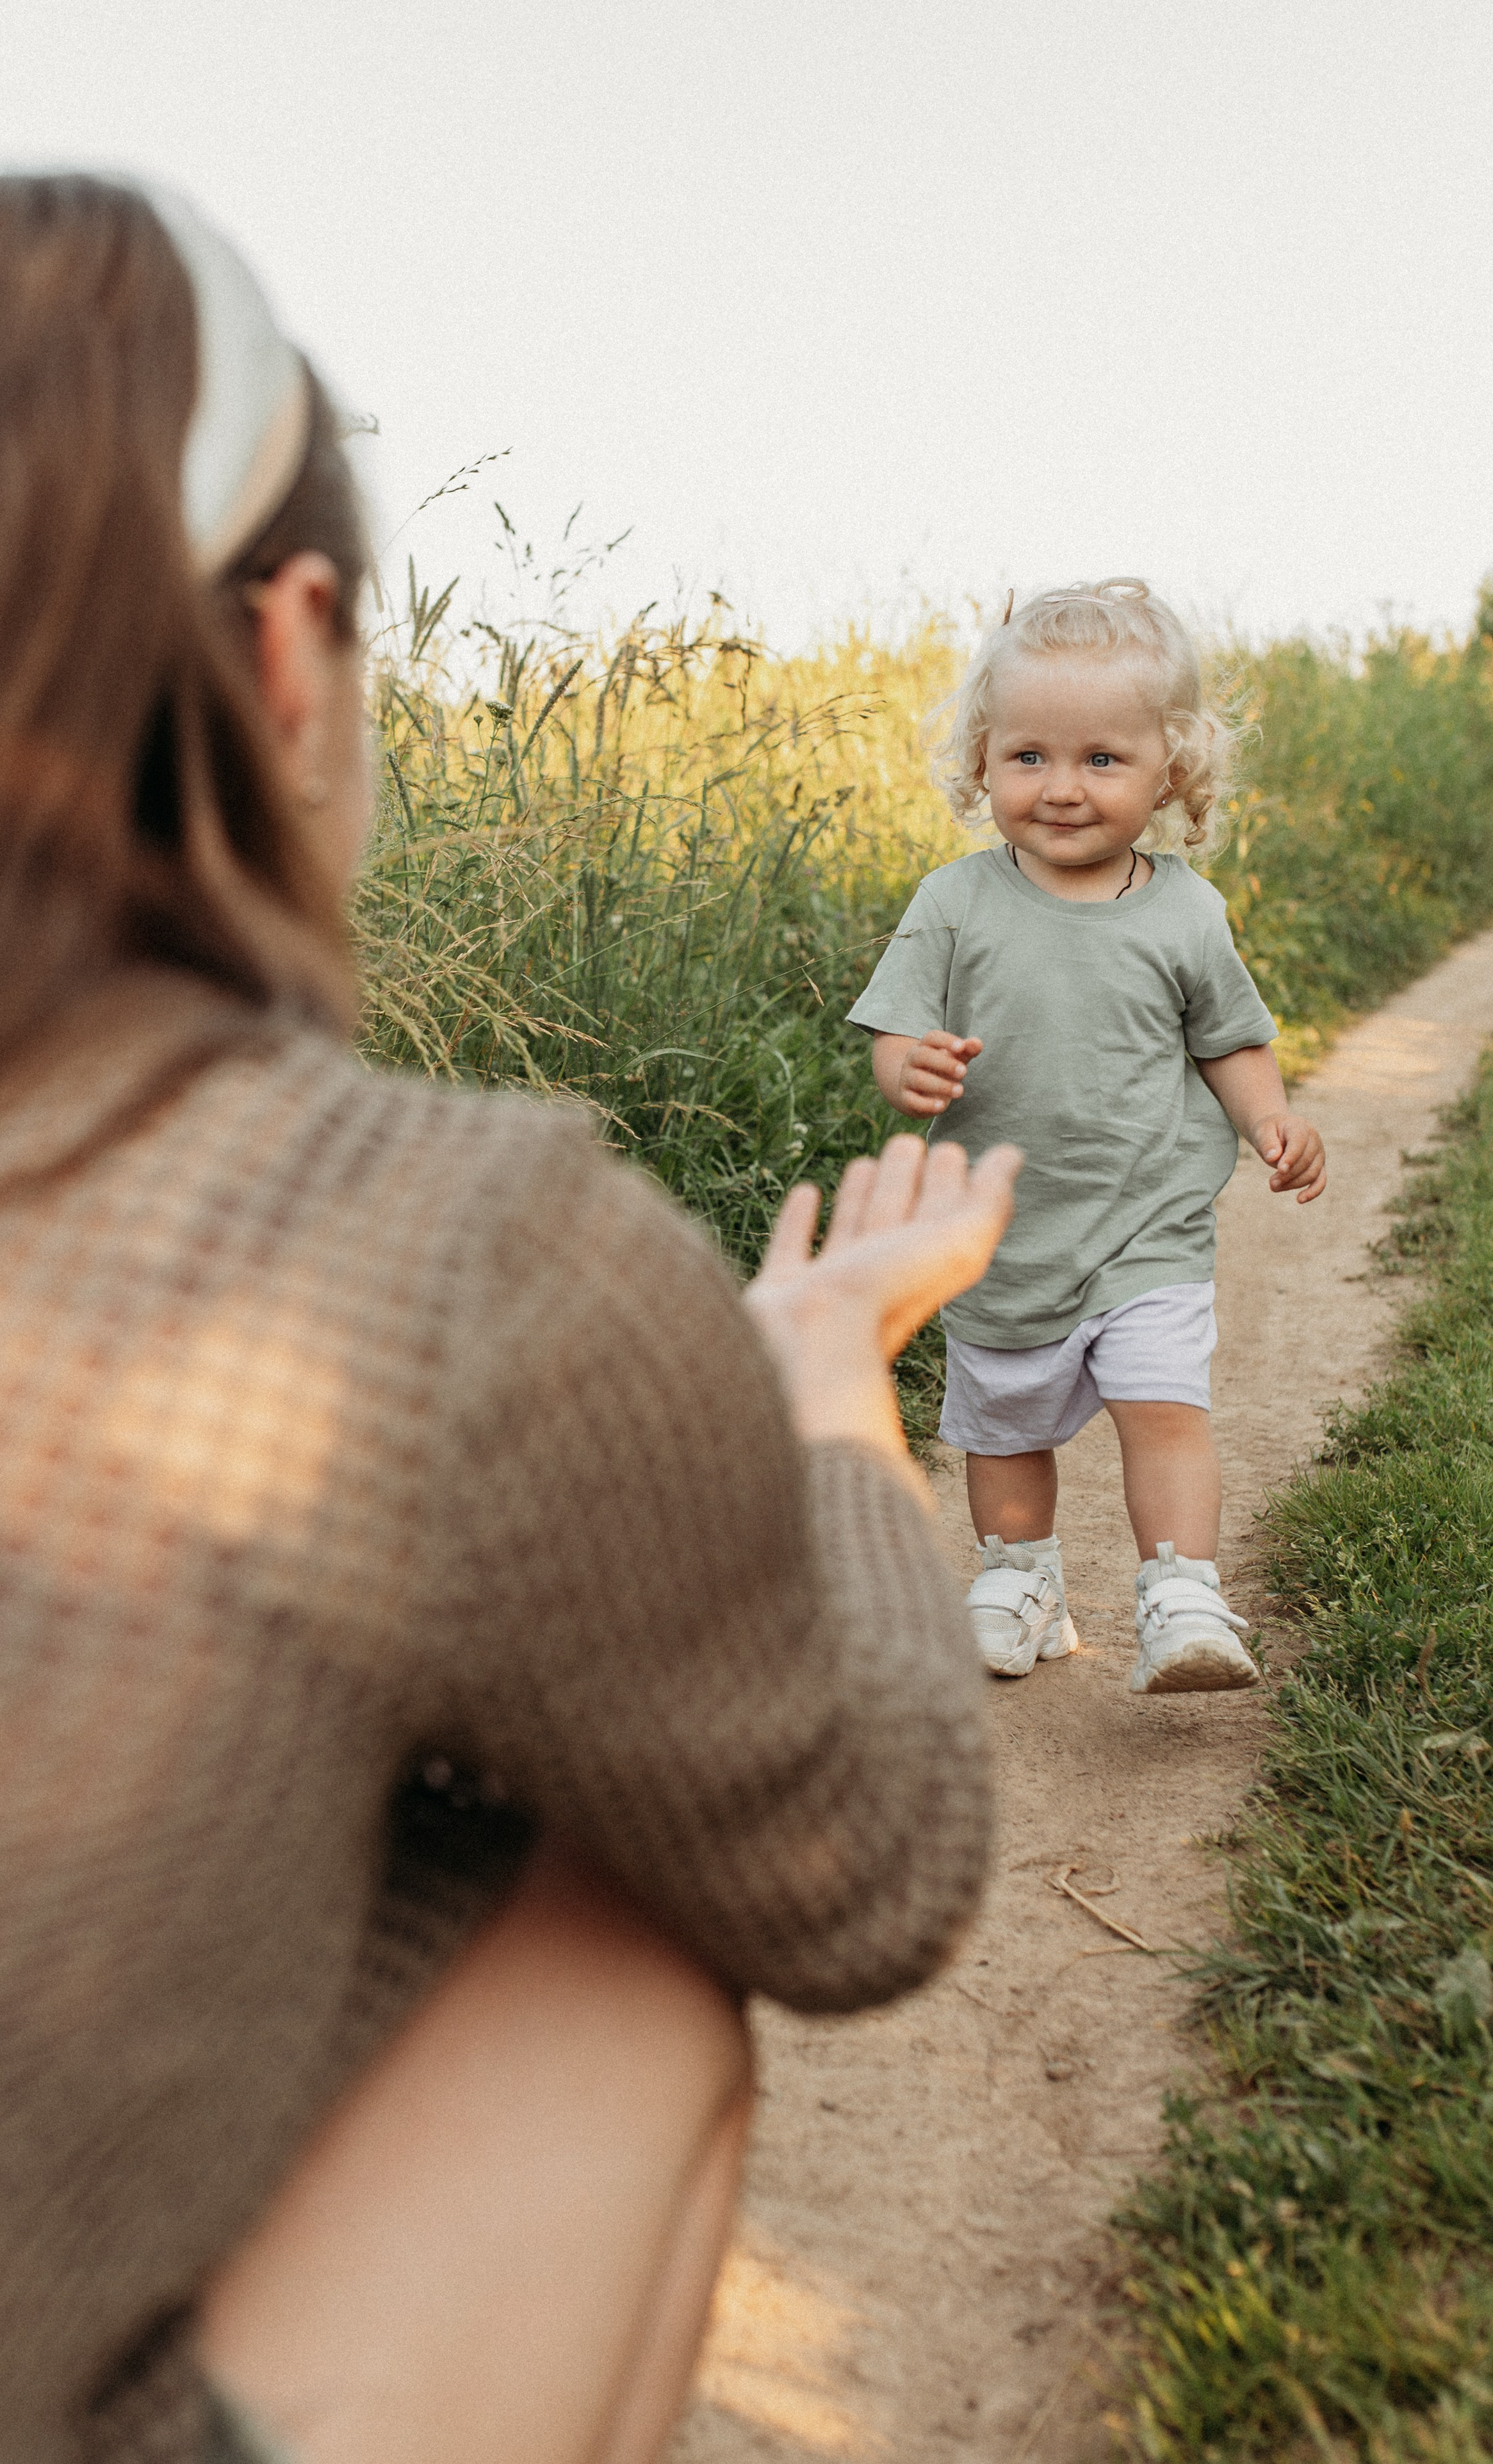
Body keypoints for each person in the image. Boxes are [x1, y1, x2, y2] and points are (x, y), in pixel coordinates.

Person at [0, 174, 1022, 2464]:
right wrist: (825, 1382)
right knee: (629, 1943)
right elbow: (867, 1868)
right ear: (289, 656)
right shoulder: (441, 1246)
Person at [849, 581, 1326, 1692]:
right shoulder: (953, 902)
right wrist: (910, 1068)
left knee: (1164, 1405)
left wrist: (1270, 1118)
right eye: (1029, 757)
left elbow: (1230, 1040)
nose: (1062, 787)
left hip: (1146, 1222)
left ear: (1172, 771)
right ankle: (1022, 1579)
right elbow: (895, 1032)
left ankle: (1182, 1590)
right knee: (1003, 1427)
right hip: (1004, 1231)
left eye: (1102, 759)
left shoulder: (1186, 913)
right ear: (983, 760)